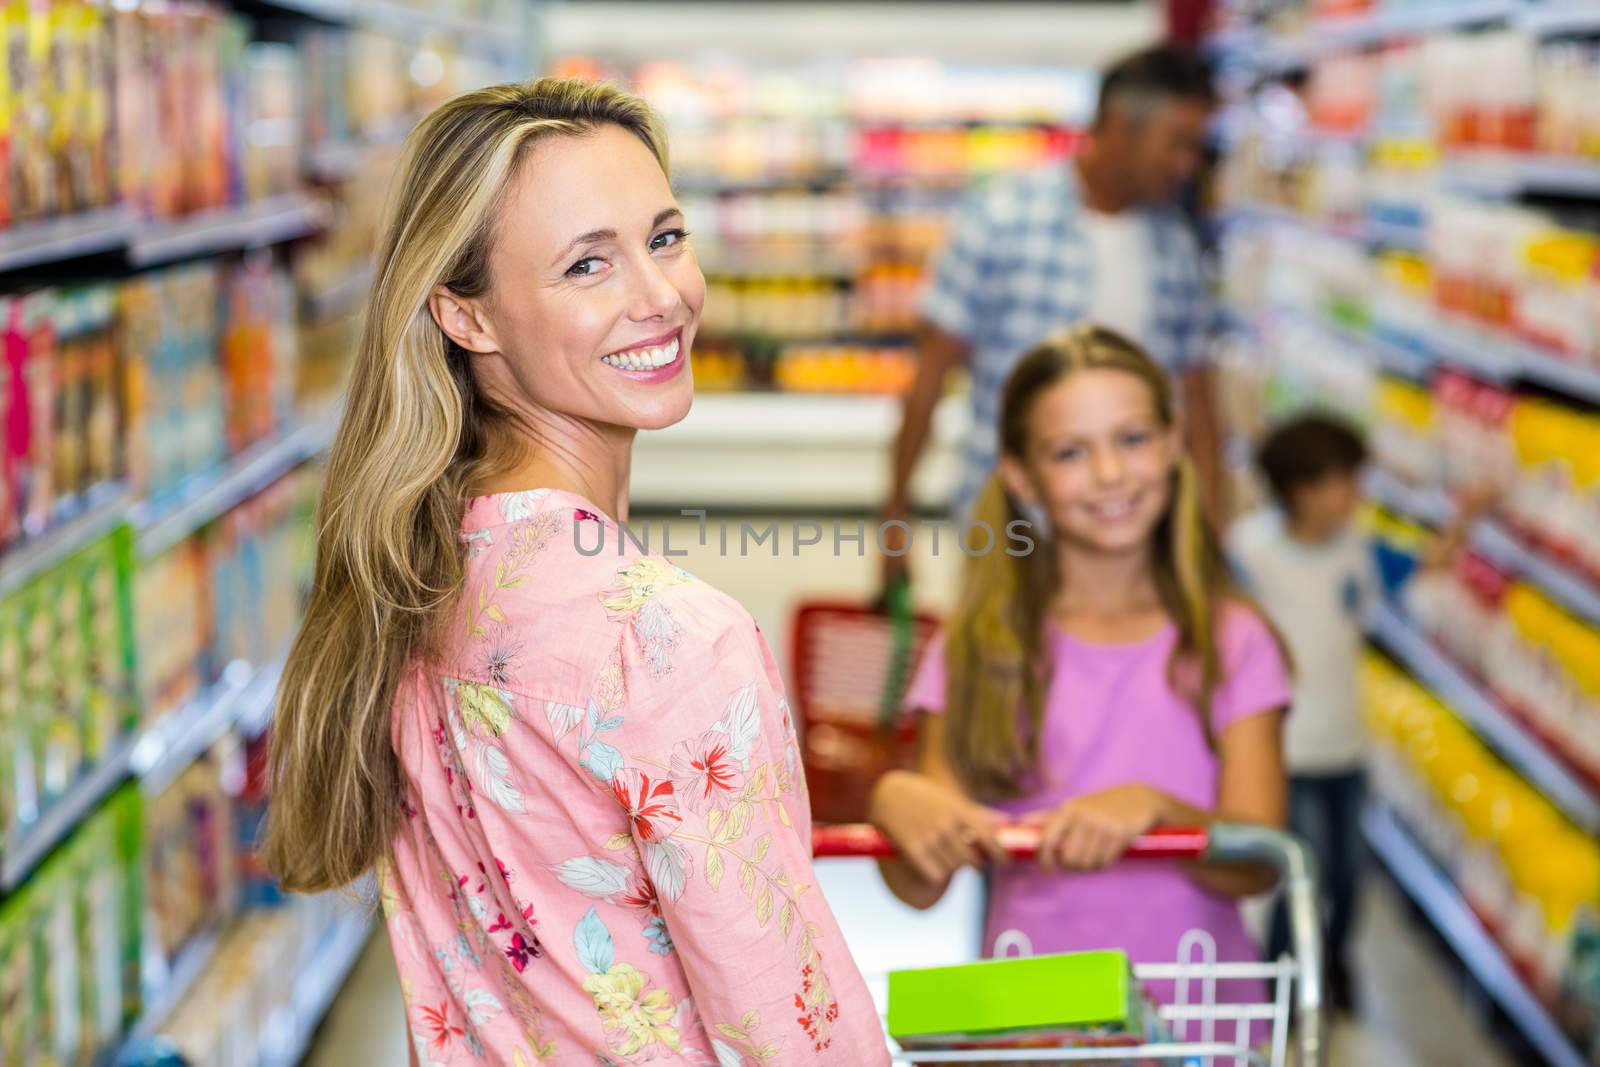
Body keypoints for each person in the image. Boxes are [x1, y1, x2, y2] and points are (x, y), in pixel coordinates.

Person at [261, 79, 885, 1065]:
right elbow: (793, 1032)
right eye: (588, 263)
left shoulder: (418, 573)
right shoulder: (666, 639)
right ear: (466, 317)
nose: (661, 295)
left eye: (666, 236)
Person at [868, 325, 1291, 1014]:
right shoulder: (980, 645)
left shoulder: (1234, 641)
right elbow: (921, 884)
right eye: (1071, 451)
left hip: (1203, 1026)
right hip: (1031, 1026)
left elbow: (1258, 863)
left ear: (1174, 440)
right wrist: (896, 800)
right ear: (1021, 476)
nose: (1110, 474)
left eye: (1132, 439)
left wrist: (1157, 809)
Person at [882, 45, 1222, 579]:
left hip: (1131, 533)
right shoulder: (1001, 217)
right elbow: (929, 376)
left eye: (1196, 149)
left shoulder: (1175, 247)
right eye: (1176, 144)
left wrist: (1211, 531)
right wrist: (895, 517)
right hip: (1009, 530)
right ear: (1118, 127)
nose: (1187, 165)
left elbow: (1198, 399)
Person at [1226, 414, 1374, 1013]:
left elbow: (1419, 567)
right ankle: (1283, 987)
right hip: (1286, 750)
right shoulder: (1251, 552)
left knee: (1347, 880)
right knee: (1300, 877)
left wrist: (1471, 512)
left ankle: (1329, 960)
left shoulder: (1357, 548)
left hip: (1347, 745)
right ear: (1302, 489)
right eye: (1345, 480)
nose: (1356, 494)